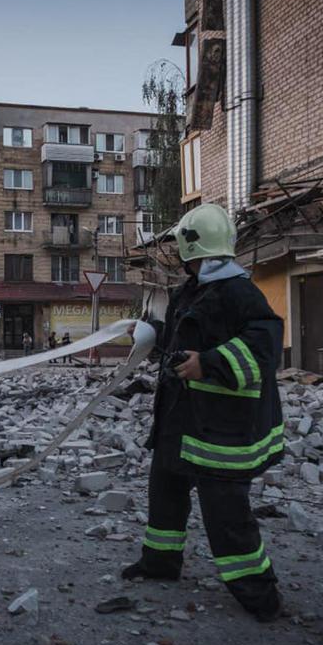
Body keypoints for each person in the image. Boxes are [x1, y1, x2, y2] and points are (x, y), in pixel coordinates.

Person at [121, 203, 285, 623]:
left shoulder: (241, 293)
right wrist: (148, 335)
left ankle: (259, 594)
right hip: (180, 420)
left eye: (182, 252)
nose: (180, 259)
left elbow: (265, 349)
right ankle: (160, 563)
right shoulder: (189, 292)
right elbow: (176, 342)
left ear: (192, 250)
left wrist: (208, 363)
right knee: (165, 496)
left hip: (220, 431)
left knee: (227, 516)